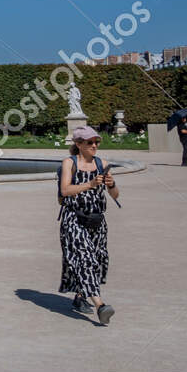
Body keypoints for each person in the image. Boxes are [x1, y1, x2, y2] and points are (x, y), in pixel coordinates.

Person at [57, 126, 119, 324]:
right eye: (89, 142)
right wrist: (90, 184)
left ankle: (81, 297)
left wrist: (111, 185)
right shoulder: (70, 162)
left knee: (97, 259)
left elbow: (116, 196)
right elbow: (65, 190)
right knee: (84, 258)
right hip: (74, 218)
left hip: (97, 220)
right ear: (78, 144)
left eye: (96, 142)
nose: (94, 145)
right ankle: (101, 305)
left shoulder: (102, 163)